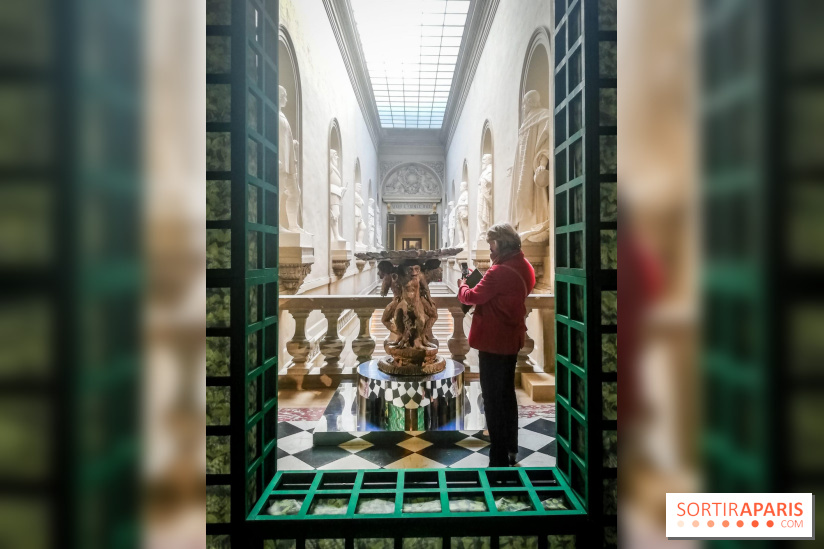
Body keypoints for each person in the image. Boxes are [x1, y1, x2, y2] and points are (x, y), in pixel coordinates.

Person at [458, 223, 535, 467]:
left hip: (493, 341)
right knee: (507, 395)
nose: (490, 251)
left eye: (492, 245)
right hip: (512, 339)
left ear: (501, 244)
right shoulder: (526, 267)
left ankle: (498, 455)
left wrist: (463, 283)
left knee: (492, 398)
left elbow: (471, 297)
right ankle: (512, 447)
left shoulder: (498, 272)